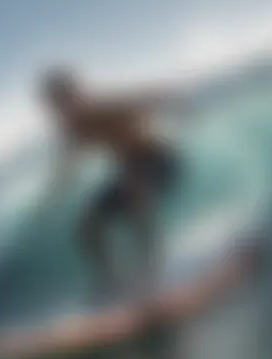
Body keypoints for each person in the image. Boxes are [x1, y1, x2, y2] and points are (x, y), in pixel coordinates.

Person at [36, 66, 185, 302]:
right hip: (129, 170)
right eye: (55, 104)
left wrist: (174, 100)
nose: (61, 108)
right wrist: (48, 202)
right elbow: (66, 171)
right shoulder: (72, 131)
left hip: (159, 160)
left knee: (135, 193)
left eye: (64, 98)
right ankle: (111, 281)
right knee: (86, 226)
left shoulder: (104, 107)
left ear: (75, 94)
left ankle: (153, 273)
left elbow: (146, 97)